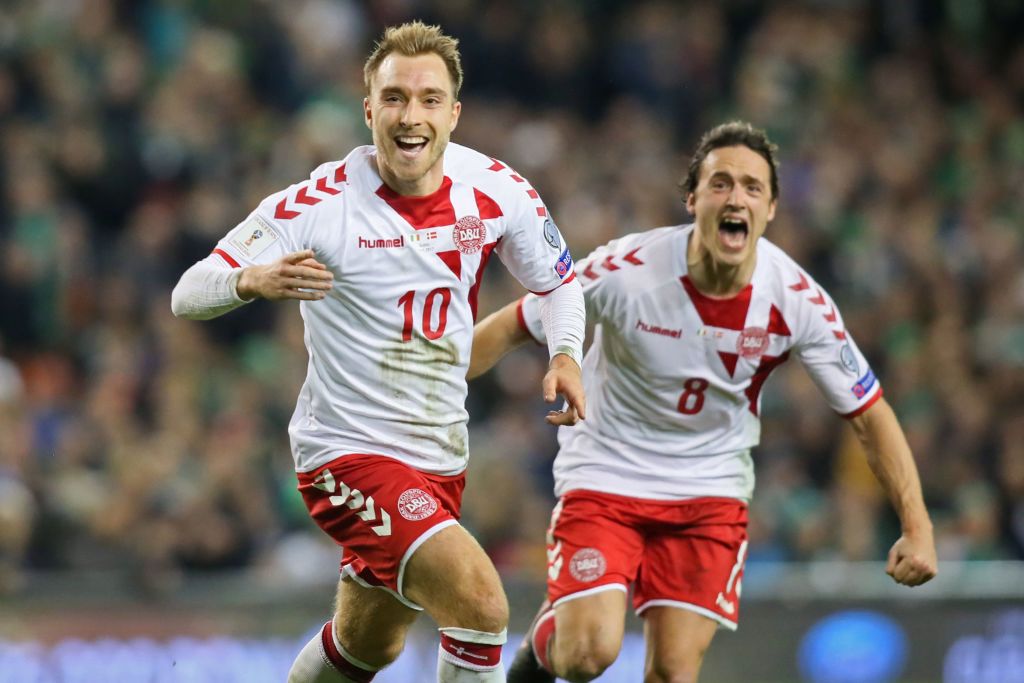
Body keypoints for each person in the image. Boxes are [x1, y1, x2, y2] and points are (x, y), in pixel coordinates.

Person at [171, 21, 586, 683]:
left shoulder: (498, 189)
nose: (410, 114)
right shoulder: (318, 204)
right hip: (348, 453)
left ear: (454, 113)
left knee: (368, 644)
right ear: (369, 109)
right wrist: (249, 279)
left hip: (440, 457)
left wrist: (565, 354)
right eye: (394, 97)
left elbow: (561, 284)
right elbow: (188, 290)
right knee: (479, 602)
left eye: (428, 99)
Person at [469, 121, 938, 683]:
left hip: (708, 492)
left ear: (771, 210)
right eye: (720, 183)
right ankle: (553, 635)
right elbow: (515, 322)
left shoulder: (797, 300)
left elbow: (869, 413)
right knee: (586, 655)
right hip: (607, 475)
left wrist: (918, 526)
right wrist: (432, 389)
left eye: (752, 187)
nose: (735, 197)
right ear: (692, 199)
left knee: (672, 674)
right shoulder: (629, 271)